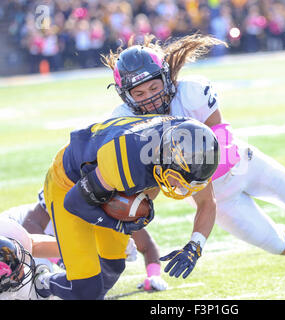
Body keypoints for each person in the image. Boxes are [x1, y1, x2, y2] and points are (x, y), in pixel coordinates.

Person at [102, 33, 285, 284]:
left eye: (153, 88)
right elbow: (136, 179)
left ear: (166, 77)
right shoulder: (125, 123)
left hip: (239, 164)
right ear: (126, 97)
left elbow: (222, 134)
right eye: (139, 93)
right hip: (212, 195)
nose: (150, 98)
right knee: (274, 244)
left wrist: (195, 172)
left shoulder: (191, 91)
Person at [33, 114, 219, 300]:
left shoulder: (194, 147)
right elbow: (74, 203)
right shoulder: (124, 160)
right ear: (164, 158)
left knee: (113, 265)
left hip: (106, 180)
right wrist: (119, 225)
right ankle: (40, 282)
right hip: (69, 182)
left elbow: (208, 202)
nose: (182, 187)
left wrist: (194, 247)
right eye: (178, 180)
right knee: (85, 288)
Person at [2, 190, 168, 291]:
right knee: (34, 285)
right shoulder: (67, 192)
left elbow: (146, 245)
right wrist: (64, 260)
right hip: (13, 233)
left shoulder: (118, 213)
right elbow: (31, 229)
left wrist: (153, 276)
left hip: (46, 244)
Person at [0, 216, 60, 300]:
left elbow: (34, 245)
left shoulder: (5, 231)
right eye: (16, 272)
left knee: (33, 289)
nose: (23, 267)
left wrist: (70, 251)